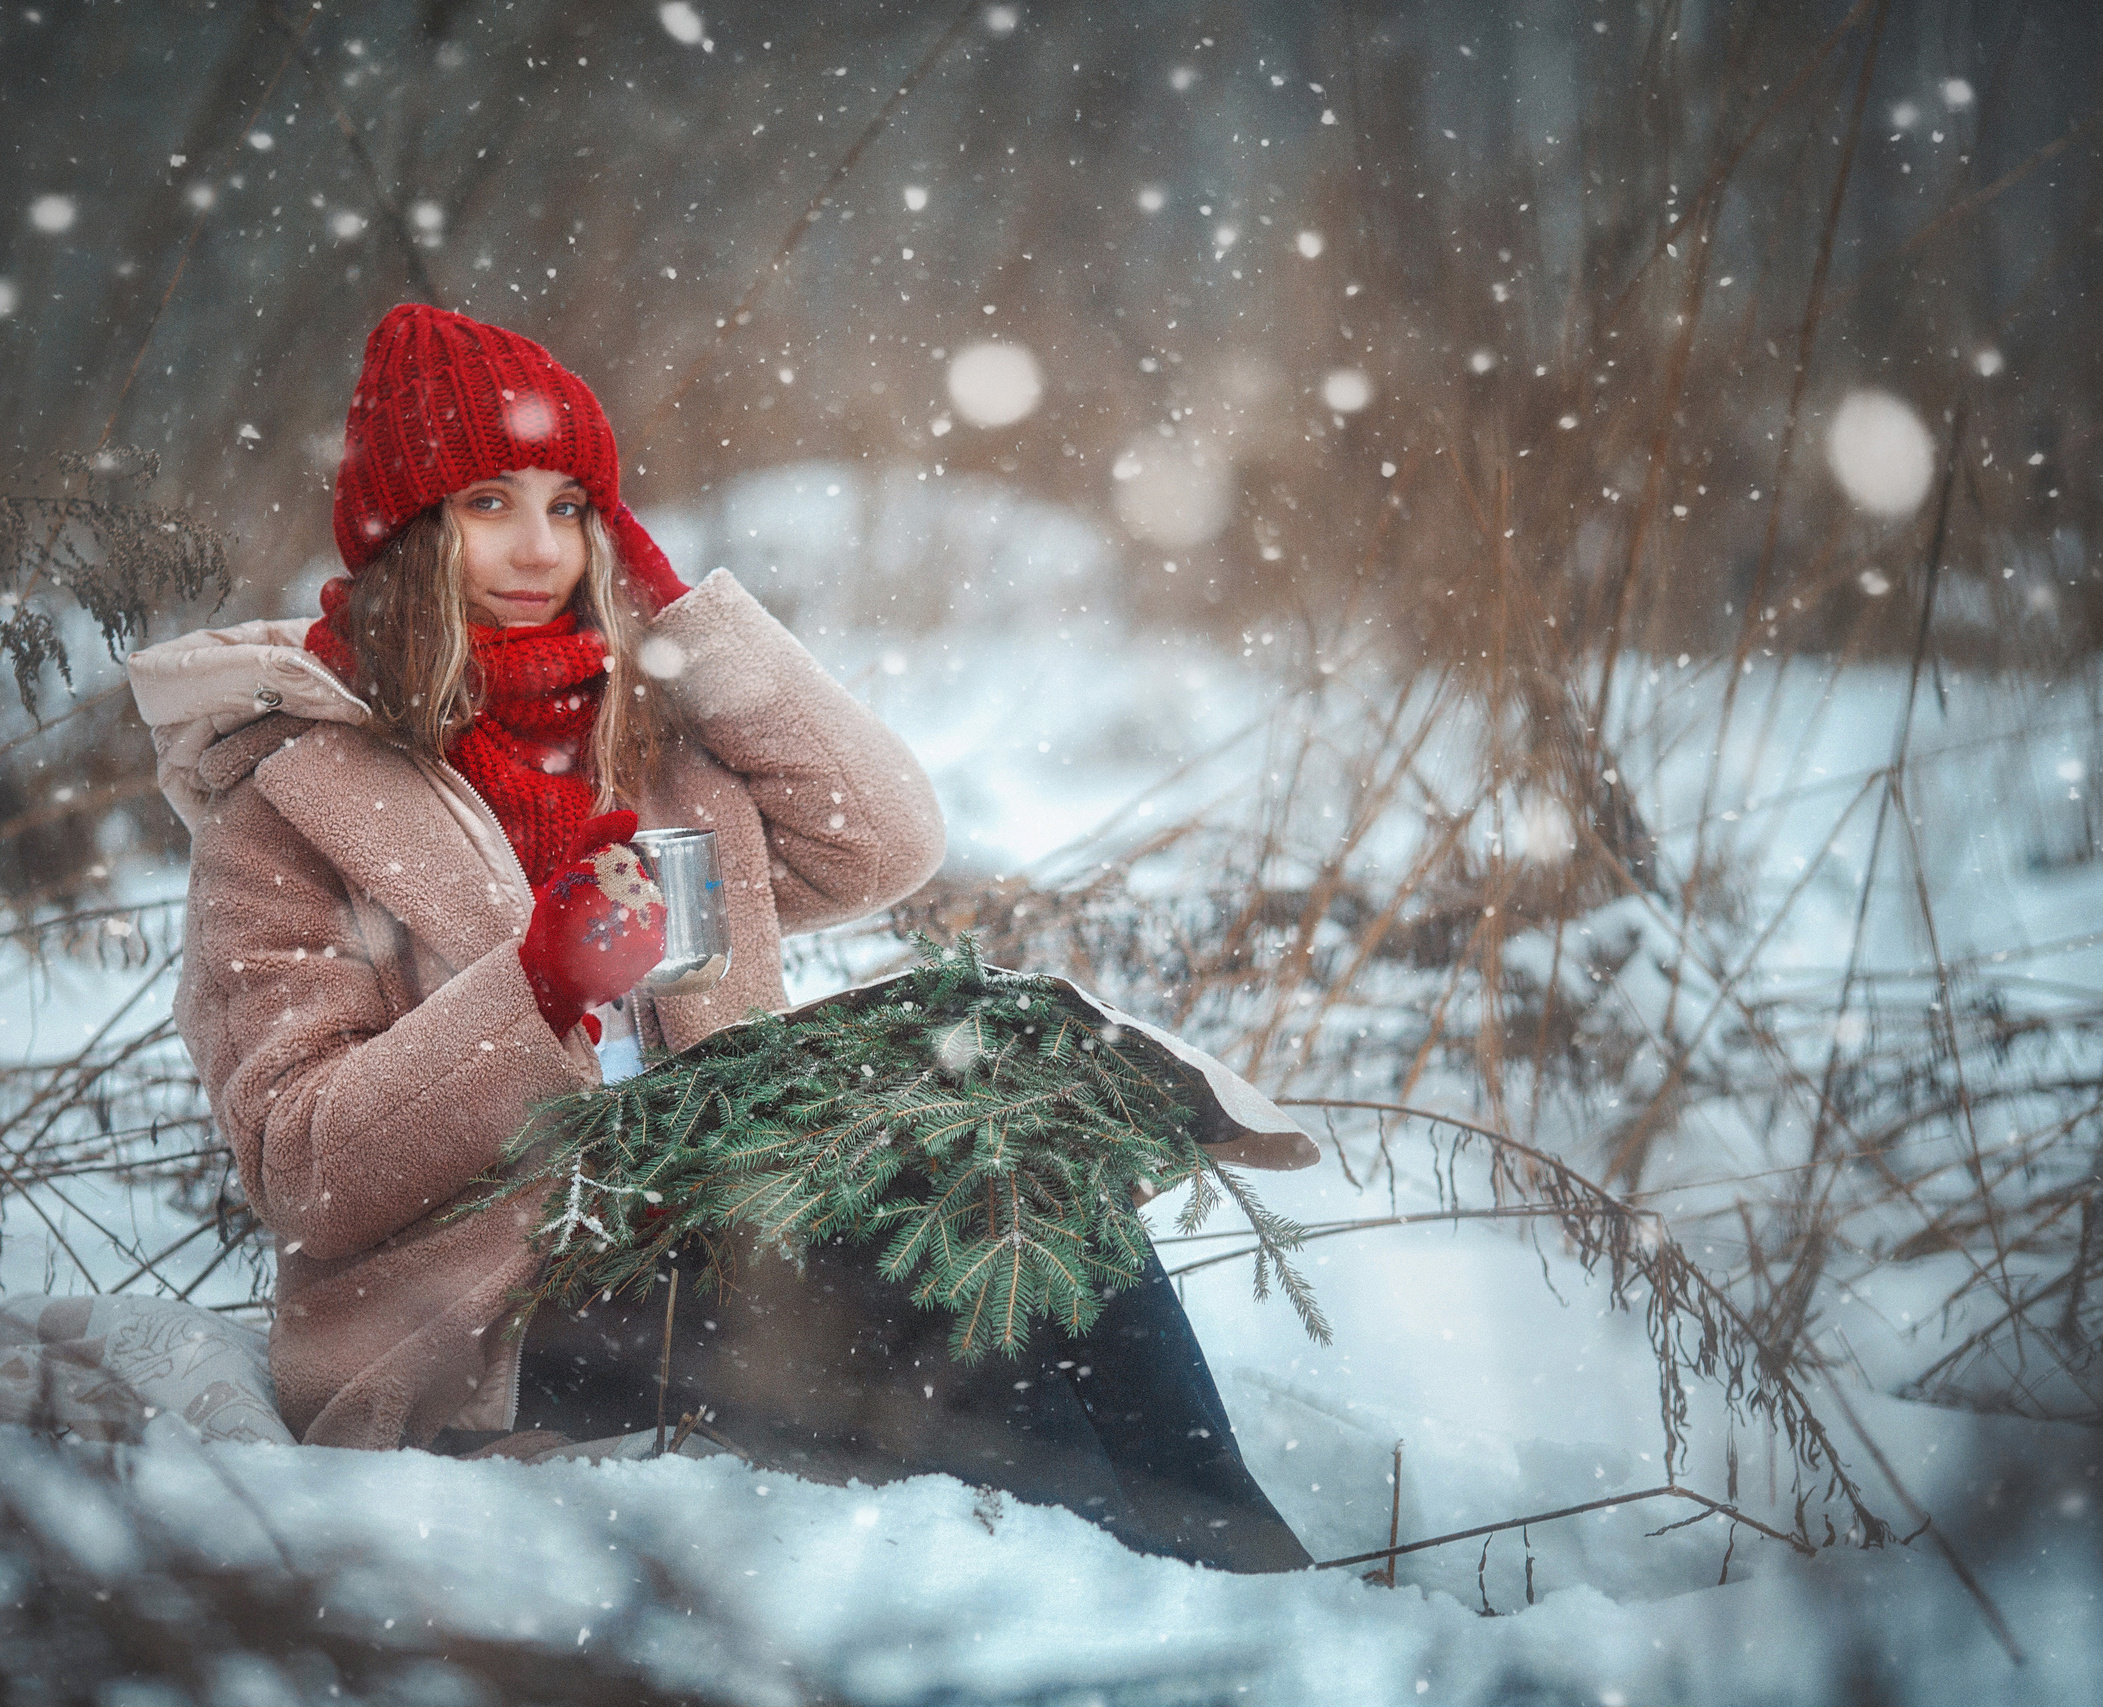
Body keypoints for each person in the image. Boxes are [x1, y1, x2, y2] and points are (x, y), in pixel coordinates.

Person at [130, 304, 1308, 1572]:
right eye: (488, 502)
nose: (538, 547)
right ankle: (1142, 1597)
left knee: (1016, 1181)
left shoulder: (655, 745)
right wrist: (539, 991)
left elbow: (884, 839)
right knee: (886, 1270)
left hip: (724, 1215)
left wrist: (677, 613)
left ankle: (1244, 1583)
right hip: (487, 1310)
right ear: (410, 529)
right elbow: (302, 1165)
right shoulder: (290, 806)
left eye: (570, 507)